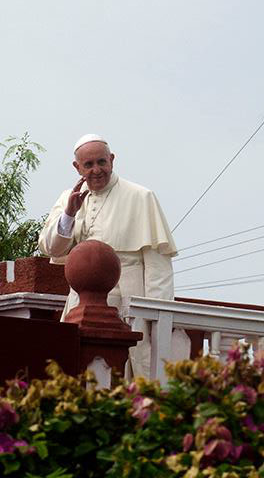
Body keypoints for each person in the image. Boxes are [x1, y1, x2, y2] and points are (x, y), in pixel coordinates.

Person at [38, 133, 177, 378]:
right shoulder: (67, 199)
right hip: (81, 300)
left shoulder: (140, 196)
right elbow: (51, 249)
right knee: (77, 369)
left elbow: (158, 268)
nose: (96, 170)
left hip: (130, 295)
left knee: (134, 371)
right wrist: (69, 215)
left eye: (102, 162)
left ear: (112, 160)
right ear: (77, 167)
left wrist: (158, 317)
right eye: (88, 165)